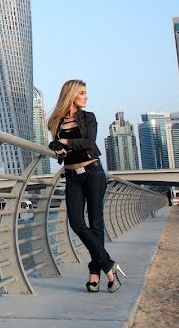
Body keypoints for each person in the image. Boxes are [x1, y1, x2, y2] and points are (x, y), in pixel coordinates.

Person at [47, 79, 125, 293]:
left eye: (85, 92)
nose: (86, 96)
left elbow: (90, 143)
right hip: (72, 176)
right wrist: (58, 147)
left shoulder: (88, 118)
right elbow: (57, 147)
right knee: (76, 222)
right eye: (82, 92)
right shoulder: (55, 121)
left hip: (93, 173)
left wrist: (66, 143)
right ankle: (109, 265)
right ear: (71, 95)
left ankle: (94, 274)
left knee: (96, 223)